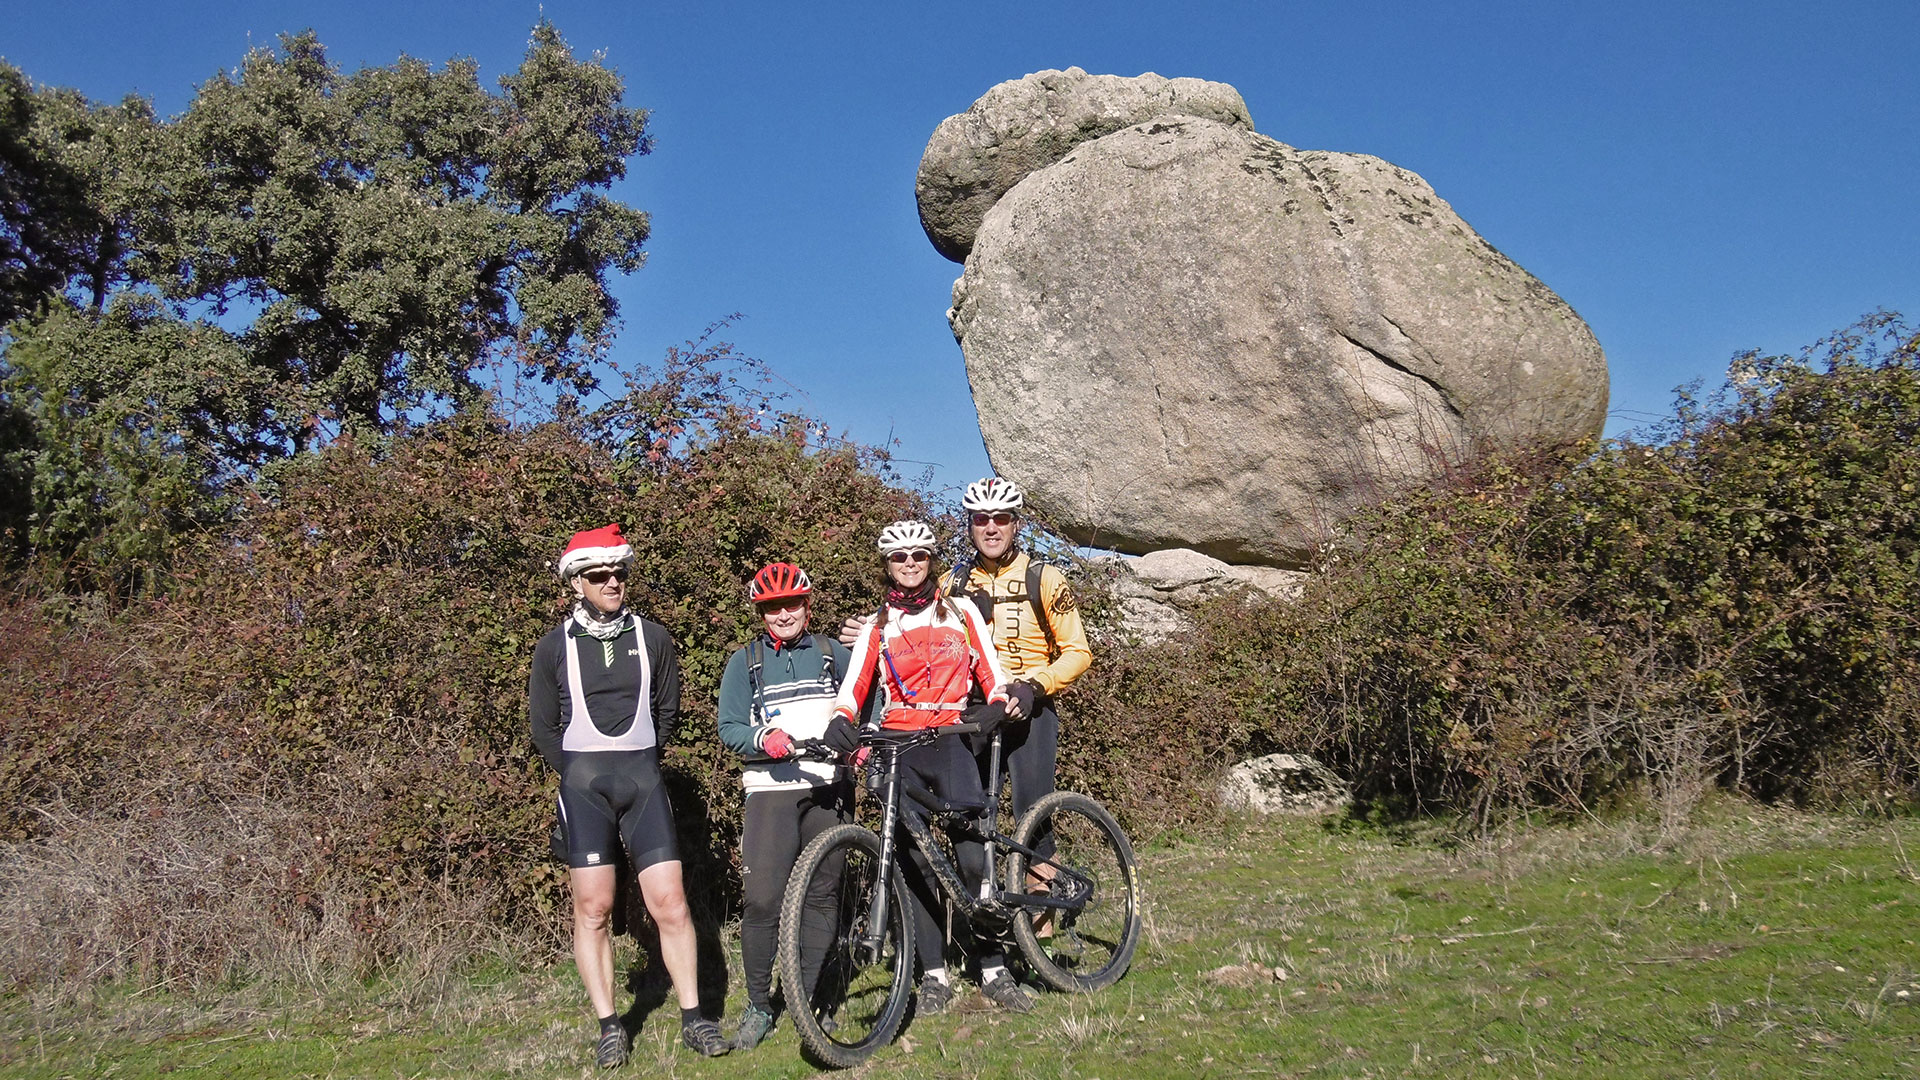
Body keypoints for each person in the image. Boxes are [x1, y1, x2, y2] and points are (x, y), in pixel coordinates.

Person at [529, 524, 730, 1068]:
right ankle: (610, 1025)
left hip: (642, 779)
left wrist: (643, 759)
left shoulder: (652, 636)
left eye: (619, 572)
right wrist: (576, 774)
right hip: (584, 786)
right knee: (593, 908)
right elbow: (543, 727)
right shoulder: (554, 646)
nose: (612, 582)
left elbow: (668, 710)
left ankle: (695, 1019)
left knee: (671, 902)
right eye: (599, 575)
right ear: (578, 582)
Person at [831, 520, 1035, 1014]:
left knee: (972, 856)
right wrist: (840, 722)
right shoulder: (878, 625)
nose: (909, 565)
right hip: (899, 746)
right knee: (913, 864)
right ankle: (934, 976)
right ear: (887, 566)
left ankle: (993, 966)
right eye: (899, 558)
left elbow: (994, 672)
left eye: (918, 556)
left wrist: (998, 701)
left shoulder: (961, 611)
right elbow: (853, 689)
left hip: (950, 740)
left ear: (930, 561)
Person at [714, 562, 862, 1051]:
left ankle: (811, 999)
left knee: (822, 893)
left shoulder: (831, 652)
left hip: (829, 787)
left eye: (792, 604)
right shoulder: (746, 661)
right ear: (762, 613)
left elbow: (868, 699)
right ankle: (759, 1005)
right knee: (761, 899)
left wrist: (858, 743)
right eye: (773, 607)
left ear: (807, 605)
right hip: (770, 790)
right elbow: (730, 727)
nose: (784, 614)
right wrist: (764, 737)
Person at [945, 477, 1092, 911]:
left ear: (1016, 524)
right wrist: (870, 627)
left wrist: (1034, 685)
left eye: (1001, 519)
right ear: (970, 525)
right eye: (981, 519)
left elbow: (1078, 652)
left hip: (1032, 709)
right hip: (975, 710)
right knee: (968, 817)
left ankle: (1040, 926)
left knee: (1033, 816)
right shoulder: (950, 583)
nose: (991, 528)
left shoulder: (1043, 578)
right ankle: (984, 918)